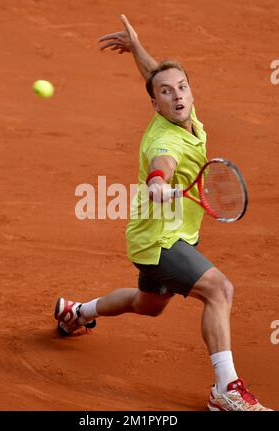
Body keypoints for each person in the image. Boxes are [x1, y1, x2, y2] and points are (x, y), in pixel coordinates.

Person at [54, 15, 272, 411]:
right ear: (154, 104)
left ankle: (77, 312)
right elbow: (161, 168)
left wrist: (136, 48)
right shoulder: (164, 140)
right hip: (160, 240)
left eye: (182, 88)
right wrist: (158, 186)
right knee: (219, 291)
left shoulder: (185, 114)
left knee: (147, 304)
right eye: (167, 94)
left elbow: (160, 77)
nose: (178, 96)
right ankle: (227, 389)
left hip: (165, 235)